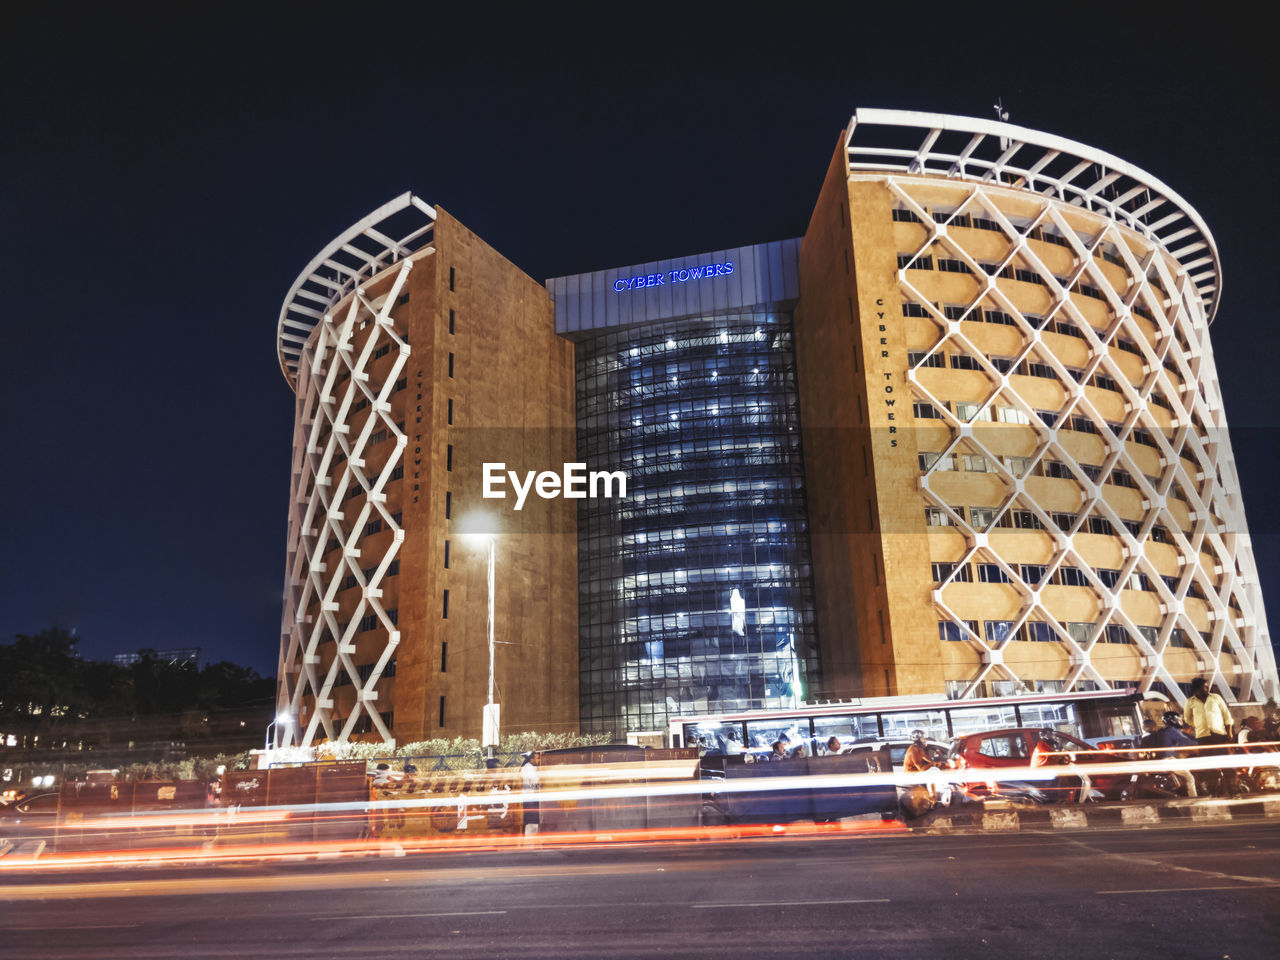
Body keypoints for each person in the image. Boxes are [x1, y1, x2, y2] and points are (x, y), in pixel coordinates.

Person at [1184, 677, 1236, 796]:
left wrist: (1230, 733)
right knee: (1209, 766)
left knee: (1227, 765)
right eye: (1204, 687)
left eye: (1207, 687)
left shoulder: (1216, 698)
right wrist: (1198, 725)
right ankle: (1215, 792)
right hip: (1203, 738)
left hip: (1219, 735)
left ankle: (1232, 791)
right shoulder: (1190, 702)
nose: (1207, 689)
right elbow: (1187, 719)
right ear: (1196, 689)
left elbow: (1226, 715)